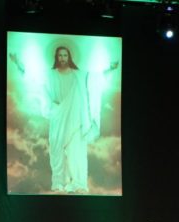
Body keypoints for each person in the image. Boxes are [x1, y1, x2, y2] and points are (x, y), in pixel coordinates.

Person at [9, 46, 119, 194]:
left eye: (65, 55)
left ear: (69, 57)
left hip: (76, 119)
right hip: (58, 116)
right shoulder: (50, 75)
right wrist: (17, 63)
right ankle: (59, 182)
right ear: (56, 57)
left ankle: (79, 182)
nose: (62, 58)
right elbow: (31, 75)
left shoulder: (79, 76)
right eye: (60, 55)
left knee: (77, 152)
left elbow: (95, 78)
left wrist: (110, 69)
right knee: (56, 150)